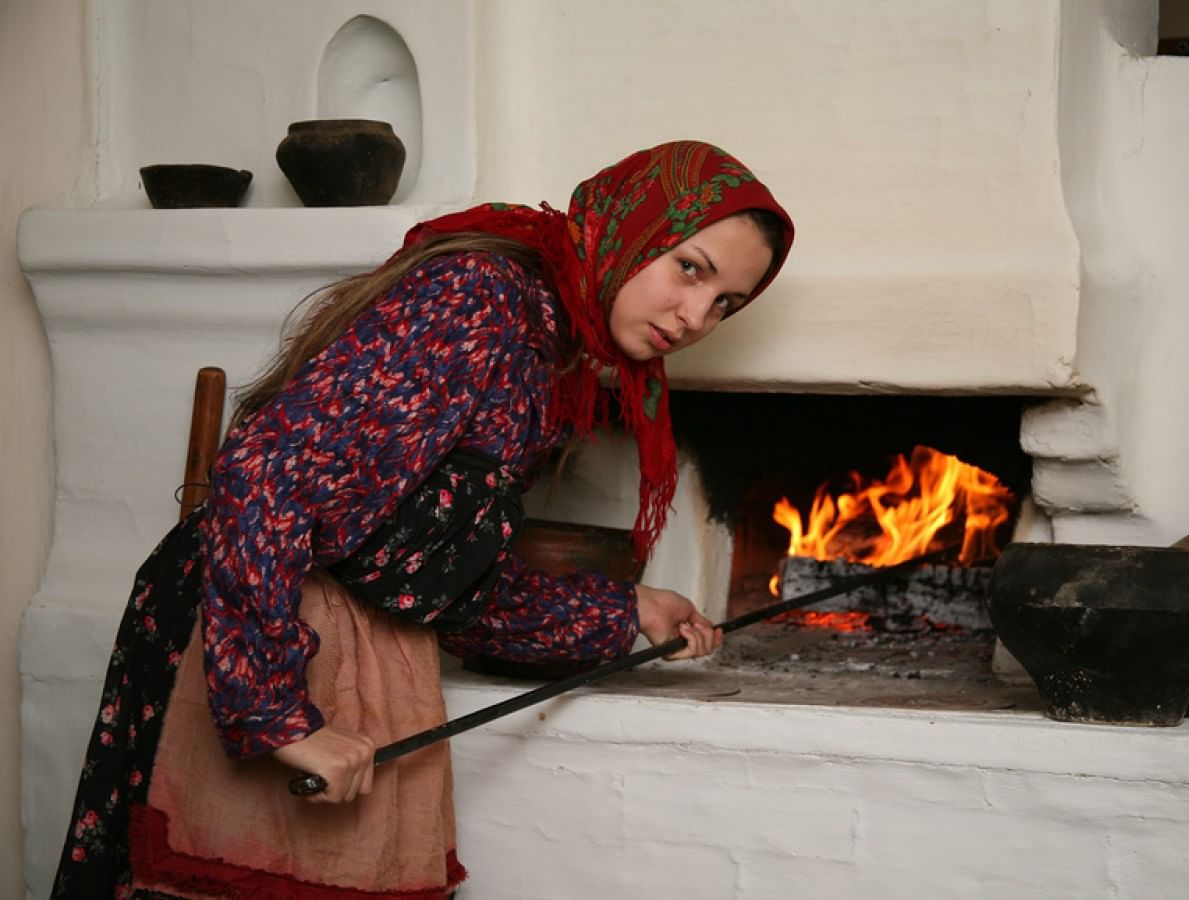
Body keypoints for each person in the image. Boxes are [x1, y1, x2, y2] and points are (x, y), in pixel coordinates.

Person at [51, 139, 794, 898]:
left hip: (355, 649)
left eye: (726, 302)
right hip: (259, 639)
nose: (697, 315)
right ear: (631, 229)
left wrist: (626, 611)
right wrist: (277, 715)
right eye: (690, 268)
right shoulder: (477, 295)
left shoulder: (548, 347)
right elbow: (266, 477)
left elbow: (429, 579)